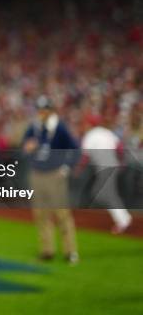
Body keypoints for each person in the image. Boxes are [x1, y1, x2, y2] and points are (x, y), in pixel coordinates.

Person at [22, 96, 80, 264]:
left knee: (62, 213)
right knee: (40, 214)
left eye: (44, 110)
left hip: (54, 174)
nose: (41, 113)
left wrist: (67, 166)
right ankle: (47, 250)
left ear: (50, 110)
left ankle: (70, 251)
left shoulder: (59, 127)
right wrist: (28, 147)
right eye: (39, 110)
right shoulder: (34, 127)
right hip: (37, 173)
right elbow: (24, 146)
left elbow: (75, 149)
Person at [80, 114, 132, 234]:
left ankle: (123, 219)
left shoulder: (90, 135)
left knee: (103, 194)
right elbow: (119, 147)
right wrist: (121, 160)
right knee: (101, 193)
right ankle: (123, 218)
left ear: (89, 124)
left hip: (105, 167)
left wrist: (79, 168)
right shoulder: (106, 132)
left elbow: (85, 156)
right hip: (112, 165)